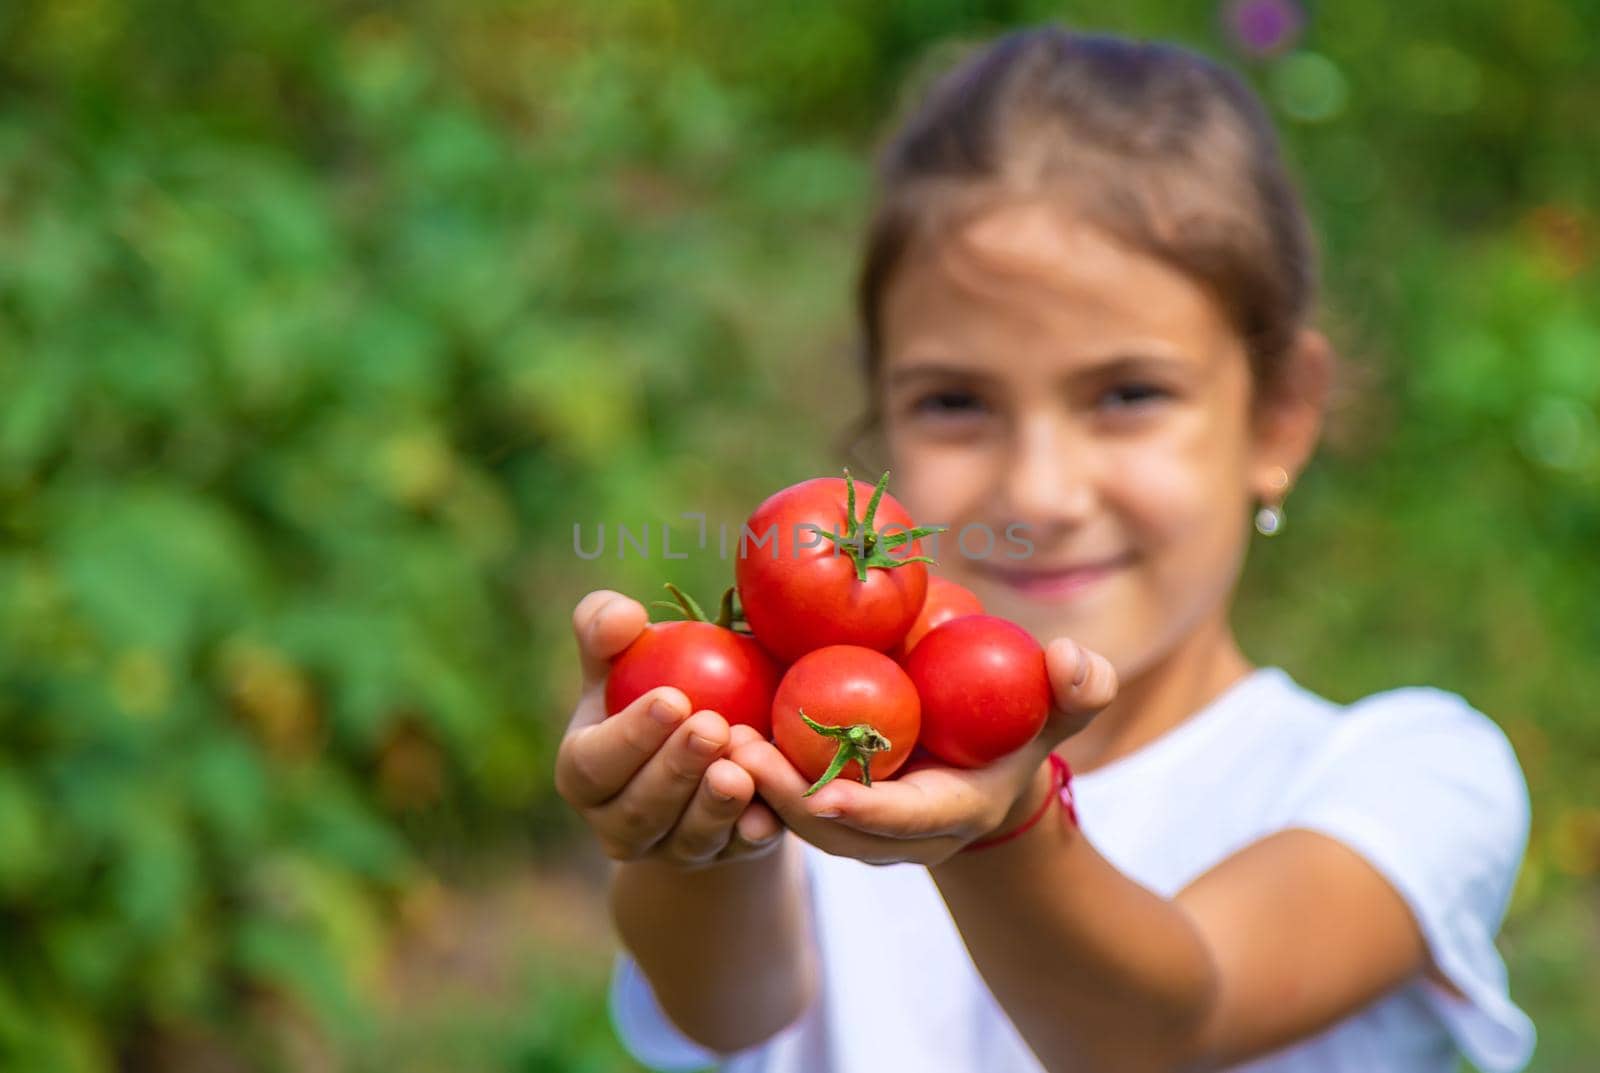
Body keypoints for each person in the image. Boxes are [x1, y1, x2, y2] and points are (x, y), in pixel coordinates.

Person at [555, 25, 1535, 1073]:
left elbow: (1171, 1021)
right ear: (879, 427)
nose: (1039, 490)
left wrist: (1001, 823)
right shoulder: (824, 767)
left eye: (1127, 395)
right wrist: (699, 817)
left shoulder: (1411, 773)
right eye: (955, 402)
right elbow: (727, 1009)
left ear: (1280, 418)